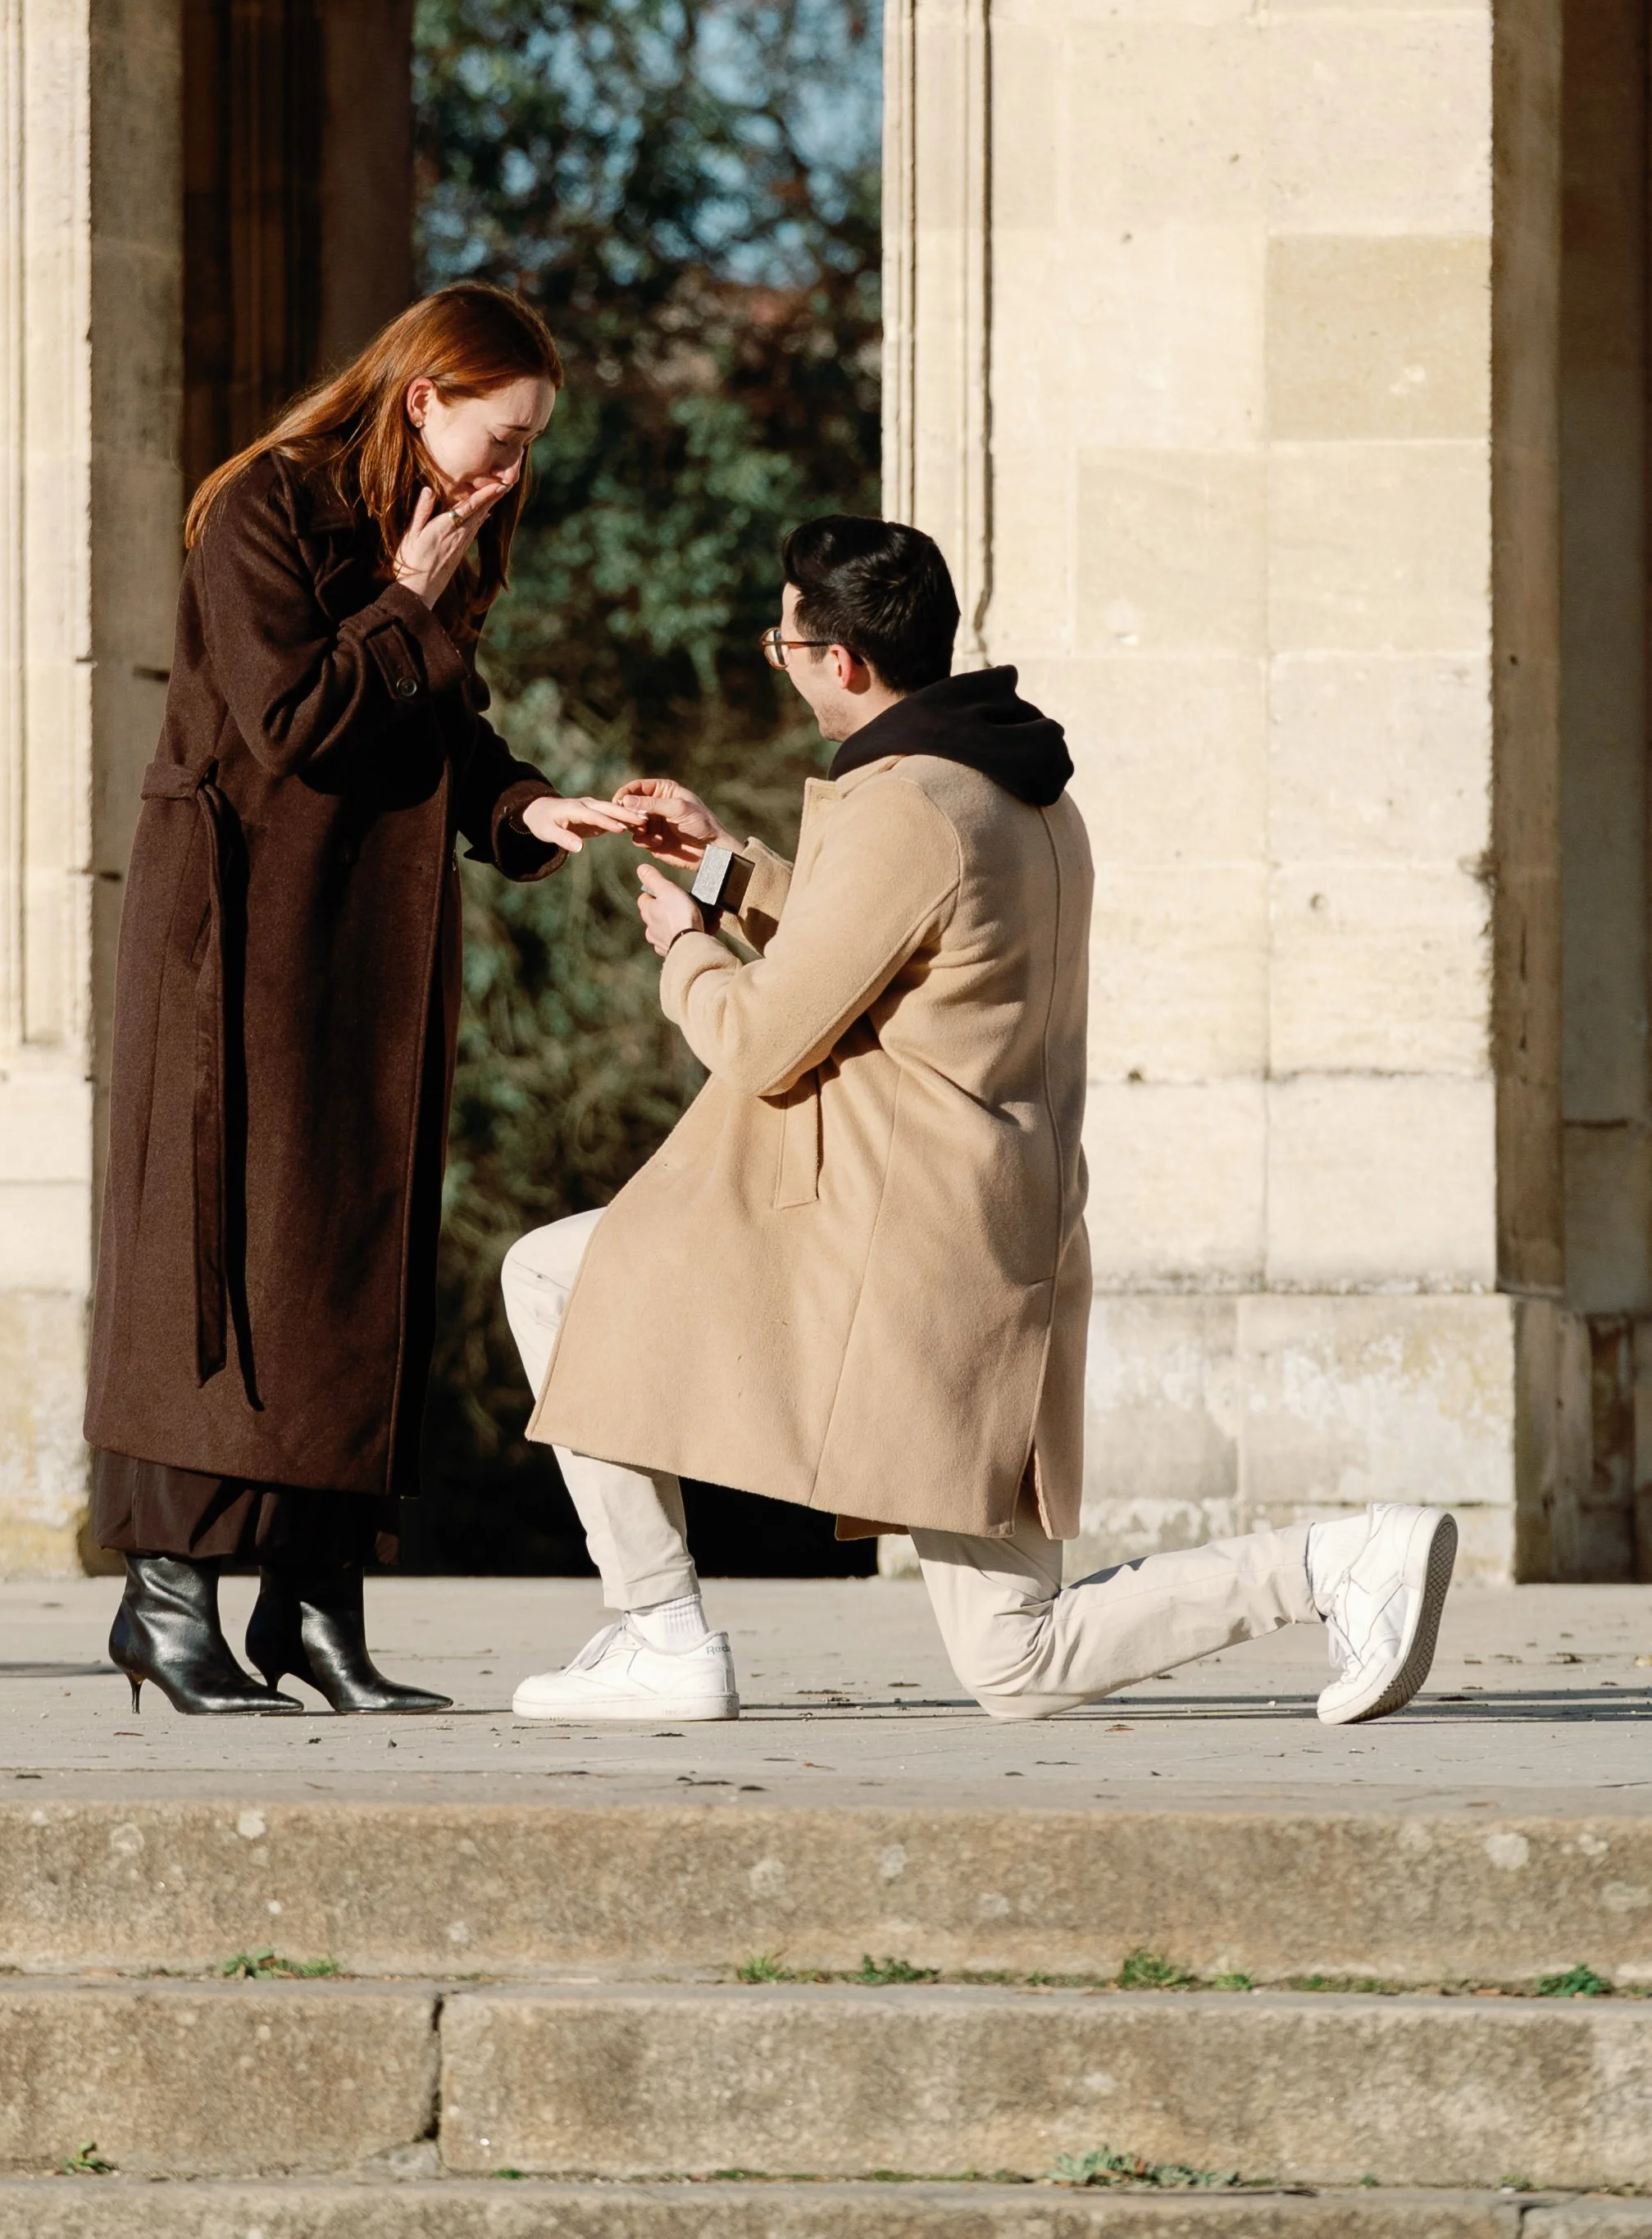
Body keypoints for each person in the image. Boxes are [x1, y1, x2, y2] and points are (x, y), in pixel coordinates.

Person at [502, 515, 1456, 1729]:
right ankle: (1331, 1563)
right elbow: (905, 956)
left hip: (882, 1248)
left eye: (780, 644)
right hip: (995, 1238)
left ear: (840, 659)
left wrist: (687, 948)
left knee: (548, 1274)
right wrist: (729, 872)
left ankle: (658, 1629)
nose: (781, 665)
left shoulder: (902, 803)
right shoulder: (1014, 784)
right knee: (1018, 1662)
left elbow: (760, 1036)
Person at [85, 284, 632, 1715]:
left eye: (528, 448)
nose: (509, 471)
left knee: (350, 1260)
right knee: (225, 1253)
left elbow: (440, 722)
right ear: (421, 398)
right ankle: (168, 1603)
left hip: (370, 945)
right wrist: (410, 595)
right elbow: (286, 722)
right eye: (497, 437)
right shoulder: (262, 506)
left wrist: (527, 808)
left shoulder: (444, 527)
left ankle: (317, 1610)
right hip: (241, 934)